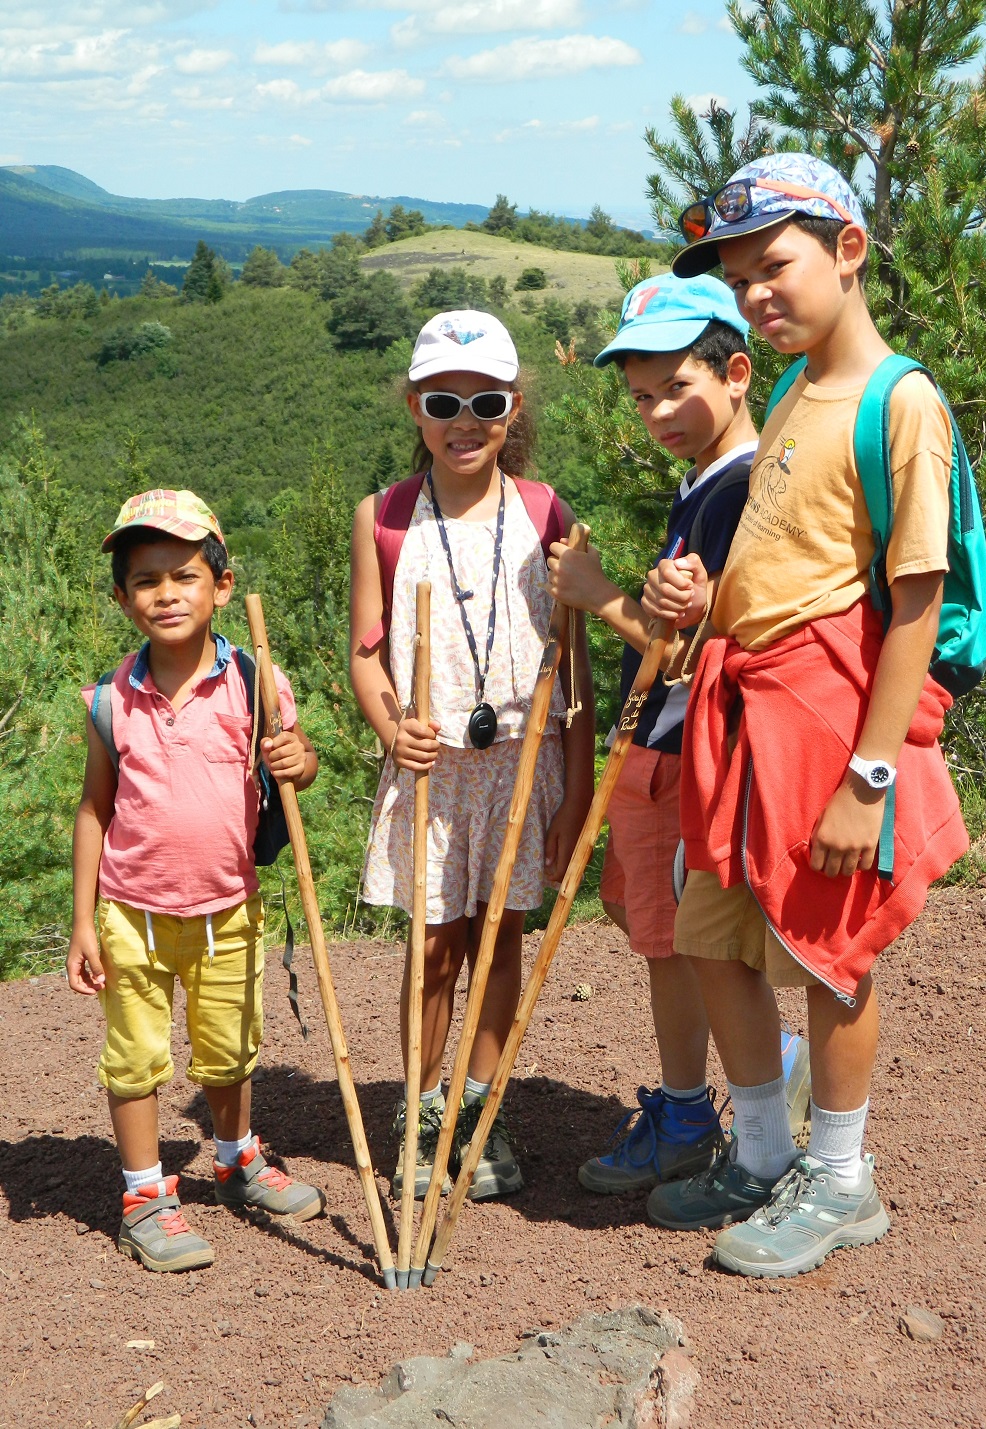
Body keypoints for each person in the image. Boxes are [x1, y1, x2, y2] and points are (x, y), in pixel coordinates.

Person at [641, 154, 969, 1276]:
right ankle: (764, 1147)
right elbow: (775, 553)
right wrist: (697, 597)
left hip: (826, 726)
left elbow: (915, 597)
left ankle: (839, 1178)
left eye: (772, 266)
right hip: (743, 713)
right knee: (716, 936)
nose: (756, 296)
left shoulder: (898, 401)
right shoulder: (787, 388)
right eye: (738, 281)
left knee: (829, 956)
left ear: (846, 248)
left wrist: (867, 777)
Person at [546, 273, 809, 1196]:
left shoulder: (735, 492)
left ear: (737, 373)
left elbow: (697, 652)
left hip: (680, 749)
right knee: (640, 911)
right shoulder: (706, 483)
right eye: (641, 395)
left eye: (676, 388)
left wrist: (597, 595)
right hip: (663, 749)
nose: (656, 410)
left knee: (669, 940)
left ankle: (689, 1109)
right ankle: (761, 1052)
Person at [350, 310, 594, 1201]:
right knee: (433, 948)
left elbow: (573, 662)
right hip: (431, 770)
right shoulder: (381, 517)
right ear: (415, 406)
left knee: (499, 944)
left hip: (523, 770)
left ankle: (477, 1113)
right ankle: (421, 1115)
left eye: (484, 401)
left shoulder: (545, 513)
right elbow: (366, 653)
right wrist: (389, 725)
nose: (464, 420)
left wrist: (579, 786)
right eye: (444, 401)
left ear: (512, 407)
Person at [67, 489, 324, 1273]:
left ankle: (234, 1156)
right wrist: (83, 920)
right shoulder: (114, 700)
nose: (166, 594)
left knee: (229, 1048)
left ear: (220, 582)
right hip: (132, 915)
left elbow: (297, 760)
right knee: (135, 1058)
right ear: (122, 598)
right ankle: (145, 1196)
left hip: (228, 908)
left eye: (184, 575)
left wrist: (299, 760)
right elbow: (93, 809)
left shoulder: (253, 681)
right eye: (146, 580)